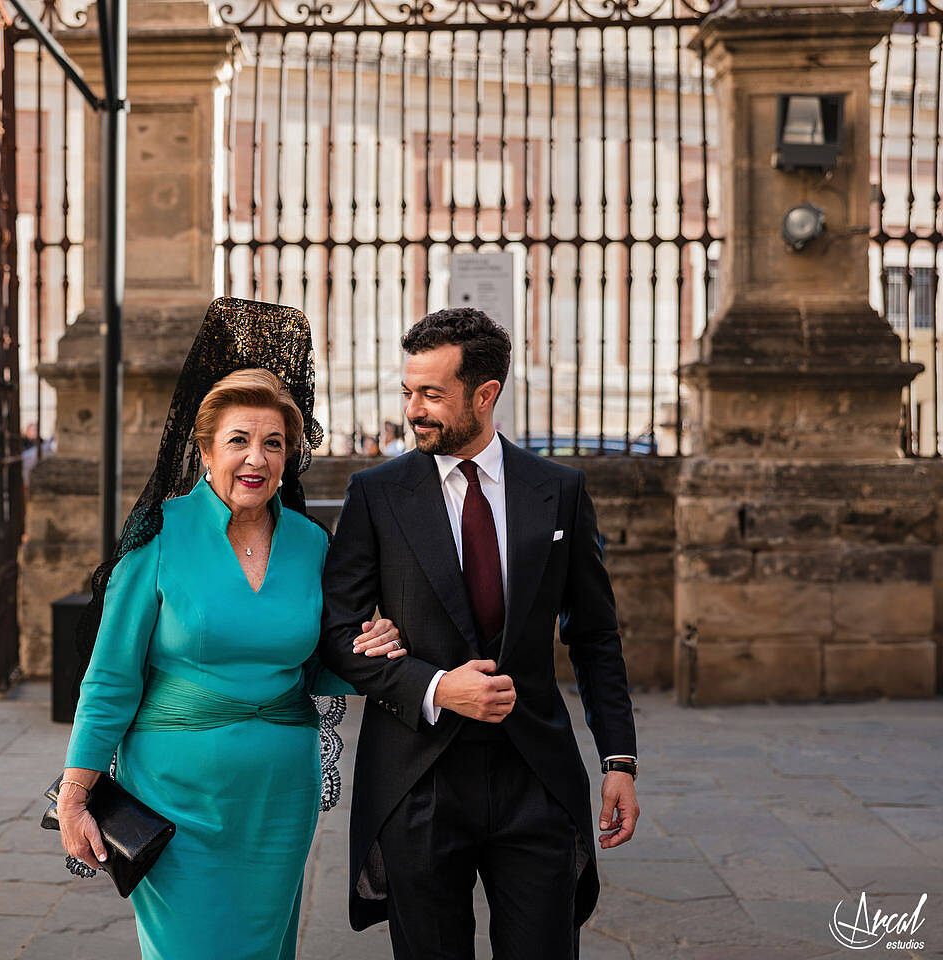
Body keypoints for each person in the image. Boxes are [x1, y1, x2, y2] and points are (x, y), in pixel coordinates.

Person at [56, 300, 405, 960]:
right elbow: (108, 681)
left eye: (273, 443)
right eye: (240, 440)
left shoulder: (310, 543)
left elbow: (322, 660)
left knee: (265, 950)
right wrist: (76, 797)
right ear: (206, 448)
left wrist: (372, 646)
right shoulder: (159, 542)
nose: (257, 458)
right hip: (173, 798)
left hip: (278, 799)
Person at [316, 307, 640, 960]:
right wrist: (435, 686)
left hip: (535, 778)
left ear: (485, 394)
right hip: (417, 780)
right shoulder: (376, 495)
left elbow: (596, 636)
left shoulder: (560, 491)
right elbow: (337, 631)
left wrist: (619, 760)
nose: (414, 410)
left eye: (431, 394)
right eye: (408, 391)